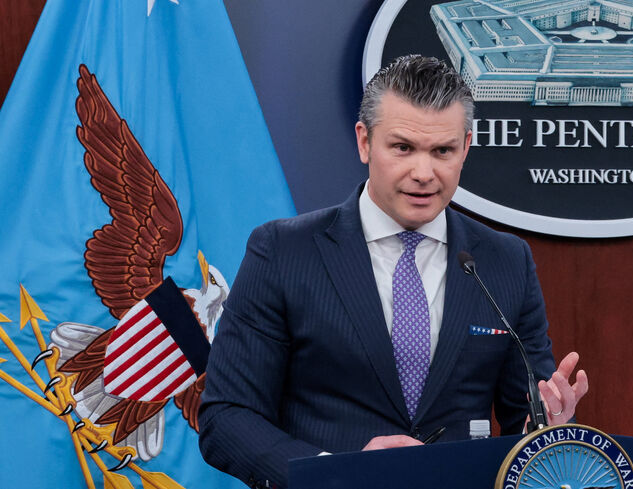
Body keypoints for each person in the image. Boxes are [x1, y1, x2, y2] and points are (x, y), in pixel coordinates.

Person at [198, 55, 589, 489]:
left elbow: (525, 419)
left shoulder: (505, 260)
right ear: (365, 142)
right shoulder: (284, 251)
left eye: (443, 151)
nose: (423, 173)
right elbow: (227, 418)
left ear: (466, 148)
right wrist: (337, 473)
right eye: (403, 148)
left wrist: (549, 427)